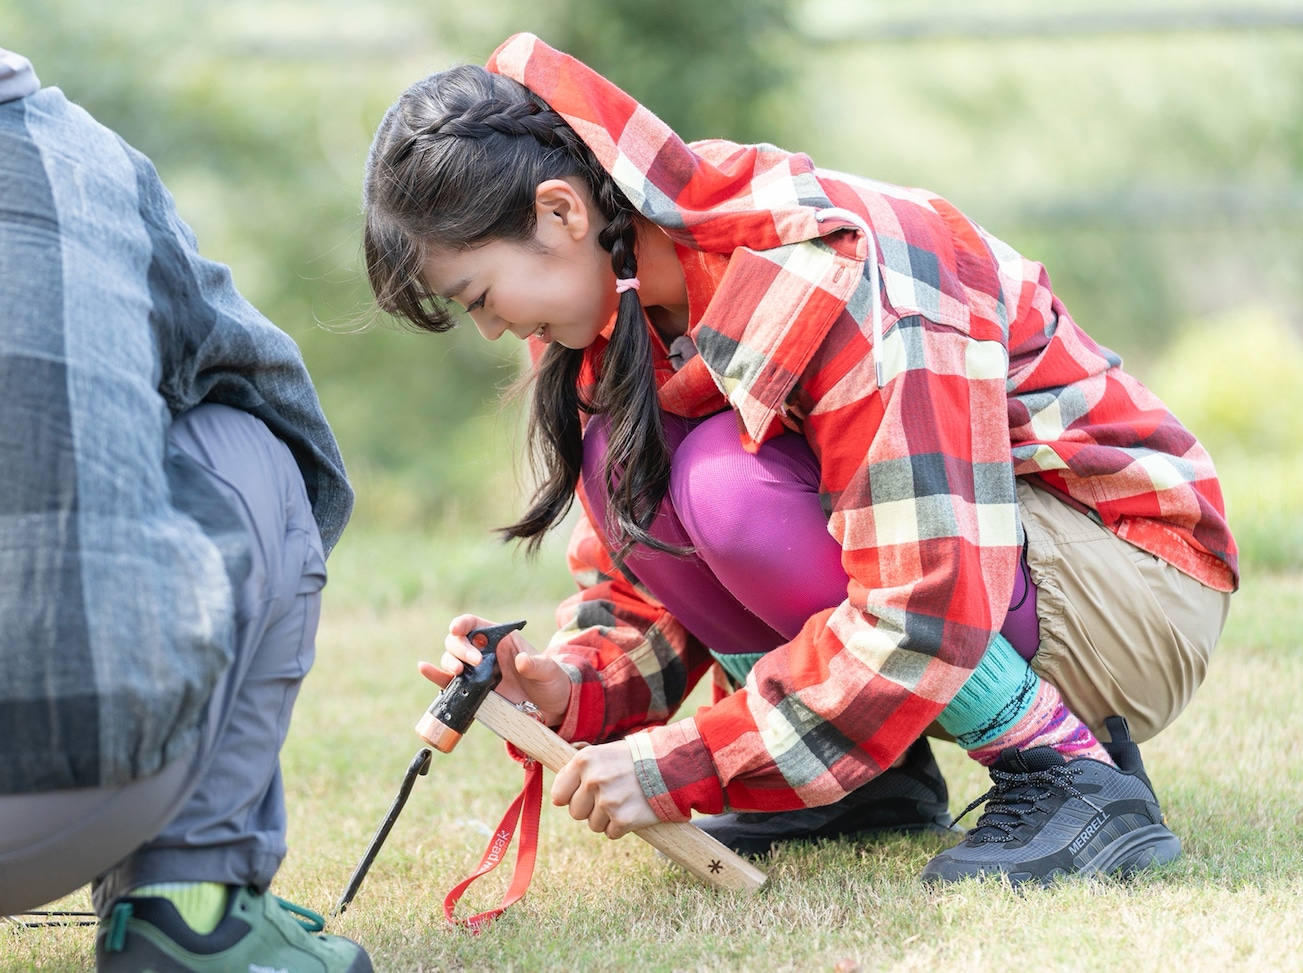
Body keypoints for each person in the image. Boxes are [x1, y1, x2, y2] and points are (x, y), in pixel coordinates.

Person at [362, 33, 1238, 886]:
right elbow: (656, 576)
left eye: (478, 295)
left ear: (563, 211)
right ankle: (865, 787)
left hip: (1129, 583)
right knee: (641, 461)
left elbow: (919, 597)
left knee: (725, 485)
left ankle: (1070, 775)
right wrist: (569, 688)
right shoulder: (609, 317)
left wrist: (684, 761)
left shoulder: (820, 267)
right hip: (984, 577)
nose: (488, 328)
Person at [0, 50, 371, 970]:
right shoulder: (80, 157)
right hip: (70, 787)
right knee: (241, 434)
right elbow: (267, 393)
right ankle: (190, 899)